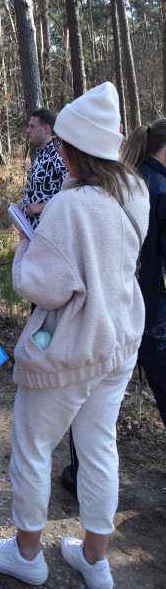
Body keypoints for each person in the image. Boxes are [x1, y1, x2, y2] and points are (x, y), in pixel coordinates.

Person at [0, 83, 149, 589]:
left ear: (72, 149)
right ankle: (95, 559)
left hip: (71, 345)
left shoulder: (68, 207)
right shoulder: (133, 189)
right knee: (99, 445)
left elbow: (42, 287)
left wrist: (25, 250)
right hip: (118, 337)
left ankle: (27, 554)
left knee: (32, 446)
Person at [121, 119, 166, 426]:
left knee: (101, 391)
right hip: (153, 309)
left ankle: (80, 467)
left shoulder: (132, 181)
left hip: (123, 301)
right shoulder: (159, 188)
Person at [20, 107, 68, 229]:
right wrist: (24, 203)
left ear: (46, 128)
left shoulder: (58, 154)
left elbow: (73, 191)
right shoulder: (42, 154)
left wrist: (42, 206)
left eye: (32, 126)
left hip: (51, 233)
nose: (27, 130)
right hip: (35, 234)